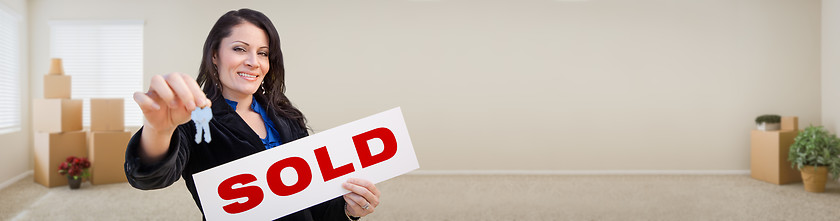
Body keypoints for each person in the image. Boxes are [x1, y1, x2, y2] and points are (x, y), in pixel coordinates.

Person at [124, 8, 380, 221]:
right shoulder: (193, 120)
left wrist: (348, 210)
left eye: (263, 53)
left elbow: (313, 202)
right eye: (239, 49)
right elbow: (149, 178)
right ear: (215, 55)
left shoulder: (286, 115)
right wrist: (159, 130)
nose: (253, 62)